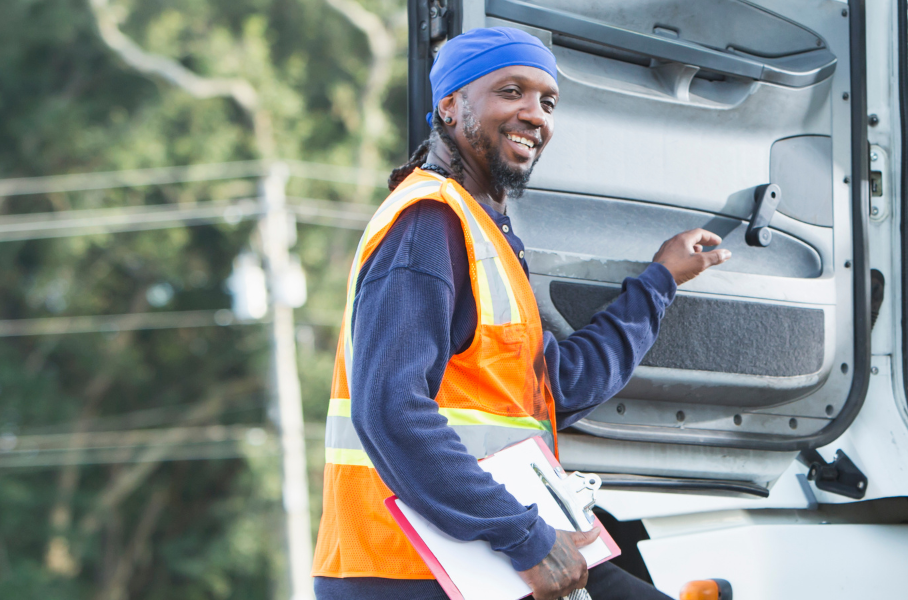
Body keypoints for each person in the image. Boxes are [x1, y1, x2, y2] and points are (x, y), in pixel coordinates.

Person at [310, 27, 729, 600]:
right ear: (451, 105)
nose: (536, 115)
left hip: (488, 551)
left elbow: (560, 384)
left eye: (547, 102)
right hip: (414, 570)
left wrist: (660, 281)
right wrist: (524, 538)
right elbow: (389, 409)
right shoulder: (428, 224)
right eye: (512, 92)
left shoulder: (485, 232)